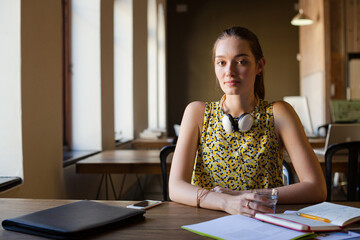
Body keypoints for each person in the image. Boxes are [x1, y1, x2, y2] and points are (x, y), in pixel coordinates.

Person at [168, 26, 326, 217]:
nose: (229, 71)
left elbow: (317, 188)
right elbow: (175, 187)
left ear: (260, 65)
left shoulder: (279, 113)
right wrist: (226, 202)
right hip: (206, 222)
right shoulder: (197, 113)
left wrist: (246, 197)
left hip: (264, 223)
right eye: (221, 62)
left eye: (241, 61)